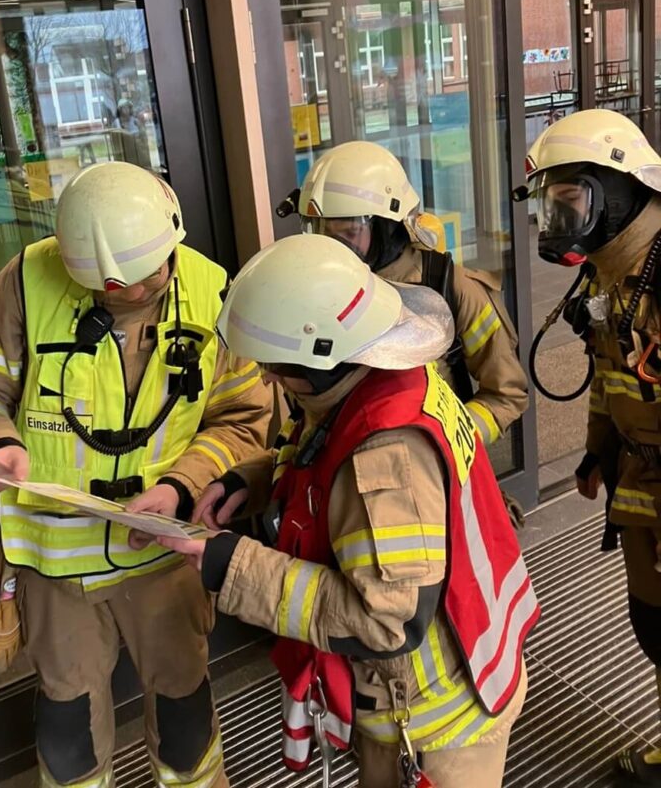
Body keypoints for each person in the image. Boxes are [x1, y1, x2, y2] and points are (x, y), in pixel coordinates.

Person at [140, 233, 537, 788]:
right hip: (458, 669)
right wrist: (247, 481)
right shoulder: (383, 379)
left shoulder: (387, 453)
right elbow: (322, 455)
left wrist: (231, 566)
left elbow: (383, 620)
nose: (268, 379)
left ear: (324, 353)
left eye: (276, 364)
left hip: (434, 723)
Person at [0, 161, 271, 788]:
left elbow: (245, 416)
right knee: (67, 735)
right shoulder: (27, 283)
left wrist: (181, 486)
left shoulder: (211, 292)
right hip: (55, 565)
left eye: (146, 282)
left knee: (185, 721)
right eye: (109, 291)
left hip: (164, 555)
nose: (130, 294)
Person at [278, 140, 529, 523]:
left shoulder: (448, 286)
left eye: (348, 232)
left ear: (387, 227)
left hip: (435, 485)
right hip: (344, 485)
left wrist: (443, 442)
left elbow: (507, 393)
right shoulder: (320, 295)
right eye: (319, 231)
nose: (332, 249)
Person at [522, 107, 661, 785]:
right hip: (637, 478)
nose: (556, 222)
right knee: (653, 624)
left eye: (569, 202)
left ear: (619, 190)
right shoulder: (610, 274)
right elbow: (610, 380)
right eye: (552, 205)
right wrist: (595, 453)